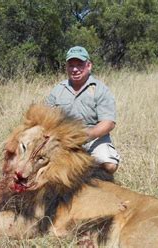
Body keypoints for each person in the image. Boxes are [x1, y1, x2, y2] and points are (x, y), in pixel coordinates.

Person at [46, 46, 120, 174]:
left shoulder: (100, 89)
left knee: (109, 165)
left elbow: (108, 123)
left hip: (94, 138)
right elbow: (46, 118)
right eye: (71, 65)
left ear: (89, 65)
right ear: (66, 67)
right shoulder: (57, 90)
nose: (75, 69)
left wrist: (84, 136)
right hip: (63, 139)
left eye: (79, 65)